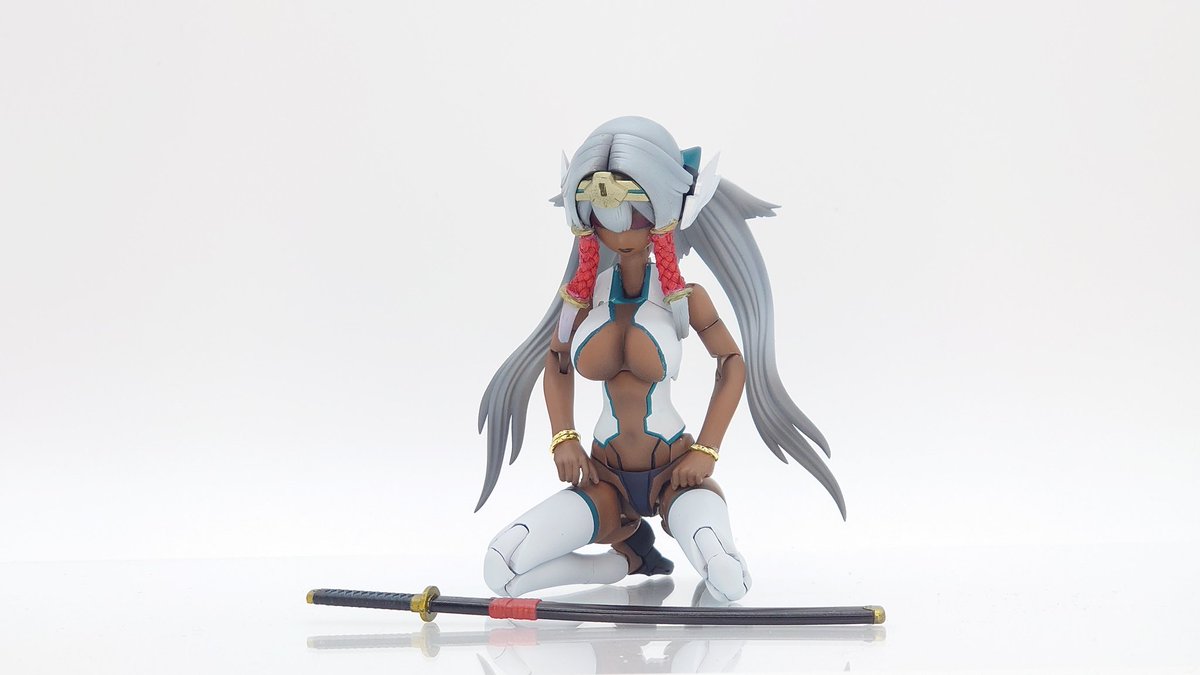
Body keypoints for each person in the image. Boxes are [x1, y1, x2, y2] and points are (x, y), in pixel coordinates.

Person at [478, 117, 844, 602]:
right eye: (601, 215)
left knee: (726, 576)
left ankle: (694, 569)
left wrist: (706, 450)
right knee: (500, 565)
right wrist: (564, 437)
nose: (618, 229)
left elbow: (731, 362)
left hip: (675, 475)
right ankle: (620, 562)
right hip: (603, 478)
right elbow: (558, 358)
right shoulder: (583, 299)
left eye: (634, 213)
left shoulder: (684, 299)